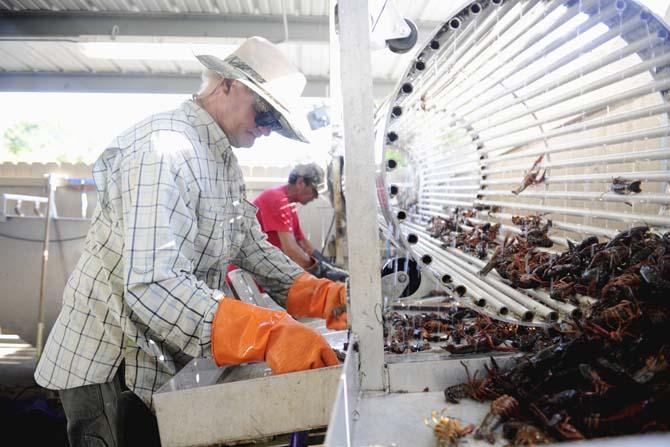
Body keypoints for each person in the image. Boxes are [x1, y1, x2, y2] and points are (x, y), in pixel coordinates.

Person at [34, 36, 347, 447]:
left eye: (276, 122)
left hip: (157, 355)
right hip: (112, 364)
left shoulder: (220, 160)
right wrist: (268, 333)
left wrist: (323, 296)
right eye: (265, 111)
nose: (268, 128)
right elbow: (152, 284)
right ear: (227, 85)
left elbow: (250, 245)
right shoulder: (165, 150)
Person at [253, 162, 349, 282]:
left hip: (264, 271)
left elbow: (302, 242)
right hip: (251, 277)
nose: (315, 197)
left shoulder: (289, 204)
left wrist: (328, 265)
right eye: (314, 191)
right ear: (300, 183)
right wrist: (320, 271)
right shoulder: (276, 198)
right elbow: (290, 249)